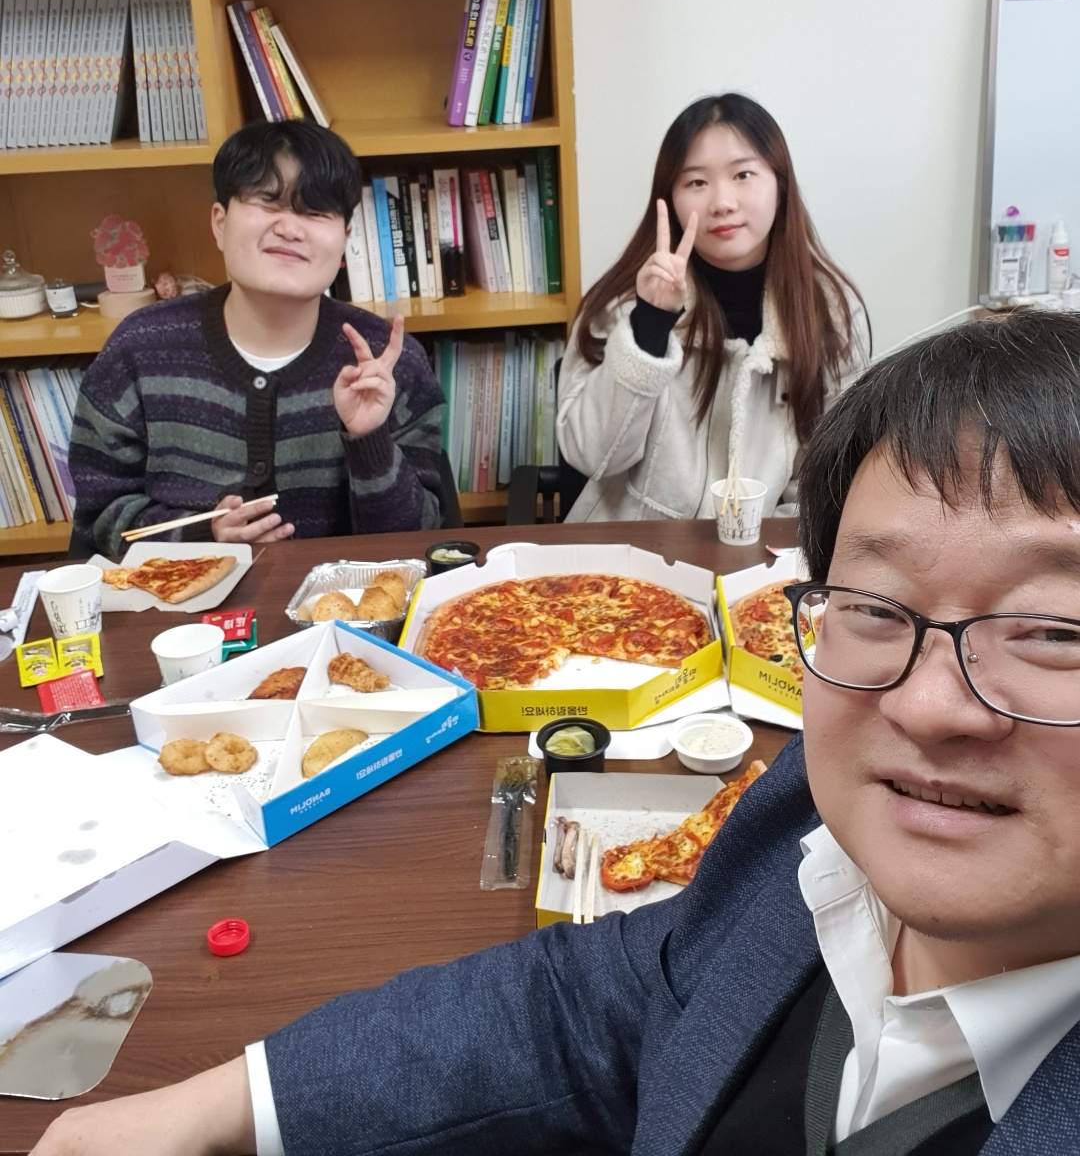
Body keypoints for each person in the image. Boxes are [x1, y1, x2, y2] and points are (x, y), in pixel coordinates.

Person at [35, 308, 1080, 1155]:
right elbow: (601, 1002)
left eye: (1050, 630)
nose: (929, 704)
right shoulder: (799, 825)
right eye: (877, 607)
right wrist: (226, 1105)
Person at [68, 121, 446, 559]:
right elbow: (100, 520)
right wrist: (204, 538)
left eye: (314, 212)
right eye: (268, 202)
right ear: (220, 223)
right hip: (180, 602)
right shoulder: (140, 349)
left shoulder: (388, 362)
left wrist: (370, 440)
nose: (289, 228)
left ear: (344, 240)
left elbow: (418, 541)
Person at [557, 93, 870, 521]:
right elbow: (591, 457)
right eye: (696, 183)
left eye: (743, 174)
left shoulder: (830, 311)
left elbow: (830, 480)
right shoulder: (624, 302)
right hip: (628, 551)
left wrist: (764, 551)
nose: (722, 202)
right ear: (669, 198)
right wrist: (650, 325)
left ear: (780, 184)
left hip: (763, 551)